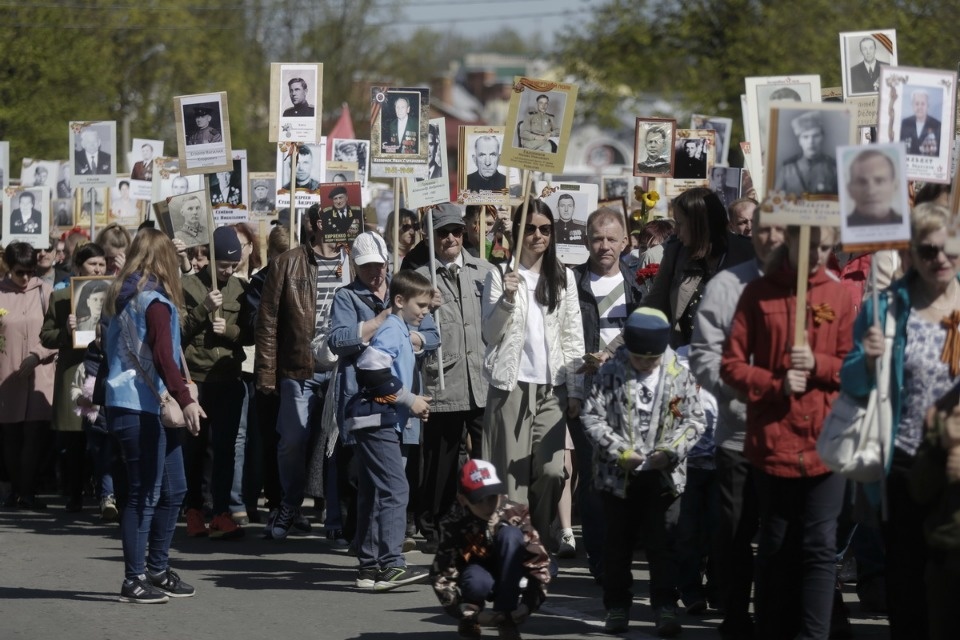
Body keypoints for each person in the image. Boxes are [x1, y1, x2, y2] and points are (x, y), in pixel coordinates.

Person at [721, 224, 855, 640]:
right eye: (810, 245)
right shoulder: (759, 294)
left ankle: (813, 635)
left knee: (819, 547)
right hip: (773, 441)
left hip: (824, 442)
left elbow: (852, 368)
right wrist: (774, 382)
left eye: (826, 247)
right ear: (791, 241)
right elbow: (731, 364)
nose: (817, 254)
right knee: (775, 544)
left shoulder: (838, 295)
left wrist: (820, 365)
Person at [840, 203, 959, 639]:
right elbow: (852, 381)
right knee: (907, 578)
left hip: (956, 464)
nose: (941, 259)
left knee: (951, 578)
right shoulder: (886, 309)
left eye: (950, 249)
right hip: (903, 462)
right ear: (909, 253)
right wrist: (866, 359)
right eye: (928, 250)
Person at [581, 307, 706, 636]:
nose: (643, 365)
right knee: (617, 544)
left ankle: (665, 605)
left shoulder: (680, 373)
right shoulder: (612, 372)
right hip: (617, 477)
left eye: (649, 360)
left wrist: (670, 451)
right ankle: (617, 606)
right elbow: (591, 417)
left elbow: (695, 420)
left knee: (662, 544)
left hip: (663, 477)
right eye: (637, 358)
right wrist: (620, 451)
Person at [690, 204, 784, 639]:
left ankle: (773, 611)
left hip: (789, 436)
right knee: (734, 530)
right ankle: (734, 611)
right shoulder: (727, 286)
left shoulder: (809, 285)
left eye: (782, 230)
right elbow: (704, 357)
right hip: (738, 433)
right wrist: (741, 387)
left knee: (782, 534)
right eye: (764, 230)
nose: (772, 238)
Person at [102, 228, 204, 603]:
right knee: (144, 494)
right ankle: (134, 577)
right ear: (165, 260)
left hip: (142, 405)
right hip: (141, 406)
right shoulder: (153, 301)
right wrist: (185, 397)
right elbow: (163, 354)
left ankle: (157, 569)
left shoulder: (121, 296)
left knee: (174, 488)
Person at [481, 198, 585, 544]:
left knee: (554, 471)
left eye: (545, 229)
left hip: (552, 388)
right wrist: (506, 300)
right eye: (530, 229)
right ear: (518, 232)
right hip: (511, 385)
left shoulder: (564, 277)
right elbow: (489, 334)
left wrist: (575, 390)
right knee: (513, 484)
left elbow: (573, 338)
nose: (538, 236)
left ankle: (536, 534)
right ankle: (518, 549)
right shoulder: (499, 274)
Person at [256, 204, 353, 540]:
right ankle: (290, 504)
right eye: (326, 216)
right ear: (313, 224)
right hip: (300, 368)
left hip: (344, 367)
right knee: (292, 442)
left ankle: (334, 516)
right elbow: (267, 321)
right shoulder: (287, 262)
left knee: (338, 445)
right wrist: (268, 373)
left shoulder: (353, 261)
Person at [344, 269, 435, 590]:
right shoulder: (393, 330)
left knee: (372, 491)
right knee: (396, 490)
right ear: (399, 301)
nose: (425, 311)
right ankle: (391, 565)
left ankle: (369, 567)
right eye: (420, 305)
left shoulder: (400, 329)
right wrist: (409, 399)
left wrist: (411, 402)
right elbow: (370, 369)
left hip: (377, 420)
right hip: (377, 421)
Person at [413, 205, 495, 549]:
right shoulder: (420, 276)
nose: (450, 238)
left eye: (456, 232)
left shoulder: (485, 270)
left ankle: (482, 520)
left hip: (481, 378)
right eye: (443, 232)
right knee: (440, 460)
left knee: (485, 459)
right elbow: (409, 326)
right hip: (442, 379)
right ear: (430, 237)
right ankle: (434, 525)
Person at [572, 207, 646, 580]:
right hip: (587, 395)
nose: (604, 246)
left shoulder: (641, 285)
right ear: (587, 240)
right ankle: (600, 557)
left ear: (625, 242)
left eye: (611, 239)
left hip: (630, 394)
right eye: (597, 238)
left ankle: (623, 551)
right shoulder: (572, 282)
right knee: (593, 478)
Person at [179, 226, 250, 539]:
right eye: (223, 264)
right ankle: (194, 509)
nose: (228, 270)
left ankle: (221, 511)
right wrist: (202, 310)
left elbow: (249, 332)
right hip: (197, 379)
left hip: (228, 378)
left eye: (233, 264)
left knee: (225, 449)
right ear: (208, 257)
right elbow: (177, 330)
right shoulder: (187, 285)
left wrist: (230, 332)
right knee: (195, 448)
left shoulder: (240, 289)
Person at [430, 459, 551, 640]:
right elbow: (442, 575)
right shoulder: (453, 522)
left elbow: (539, 563)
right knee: (476, 582)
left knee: (511, 535)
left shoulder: (516, 513)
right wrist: (464, 612)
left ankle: (506, 618)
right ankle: (472, 613)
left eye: (492, 496)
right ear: (463, 499)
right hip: (476, 573)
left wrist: (527, 604)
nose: (488, 505)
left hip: (514, 571)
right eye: (480, 500)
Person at [40, 243, 108, 513]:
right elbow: (45, 336)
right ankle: (73, 493)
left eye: (102, 264)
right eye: (93, 264)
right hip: (74, 371)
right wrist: (66, 332)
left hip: (102, 368)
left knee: (102, 434)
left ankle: (103, 491)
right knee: (74, 438)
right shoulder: (61, 297)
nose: (98, 269)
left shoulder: (113, 294)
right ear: (78, 266)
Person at [644, 187, 755, 348]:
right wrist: (615, 350)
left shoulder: (748, 254)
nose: (675, 231)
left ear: (699, 225)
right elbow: (652, 307)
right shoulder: (676, 252)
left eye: (680, 223)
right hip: (685, 361)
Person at [0, 243, 57, 510]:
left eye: (30, 272)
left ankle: (28, 492)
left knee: (34, 438)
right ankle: (15, 489)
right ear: (9, 268)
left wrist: (37, 353)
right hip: (6, 377)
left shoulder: (45, 293)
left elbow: (57, 333)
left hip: (39, 376)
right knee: (10, 438)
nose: (25, 279)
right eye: (19, 272)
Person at [775, 111, 838, 195]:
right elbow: (775, 202)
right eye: (805, 137)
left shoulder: (834, 168)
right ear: (799, 141)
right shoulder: (787, 169)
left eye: (815, 136)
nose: (811, 142)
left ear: (822, 137)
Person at [845, 150, 903, 226]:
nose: (871, 192)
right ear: (850, 189)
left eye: (879, 181)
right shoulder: (840, 229)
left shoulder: (910, 229)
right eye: (862, 182)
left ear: (895, 186)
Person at [900, 89, 942, 156]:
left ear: (927, 106)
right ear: (912, 105)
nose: (920, 107)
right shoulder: (904, 124)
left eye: (923, 104)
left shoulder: (937, 126)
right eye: (917, 104)